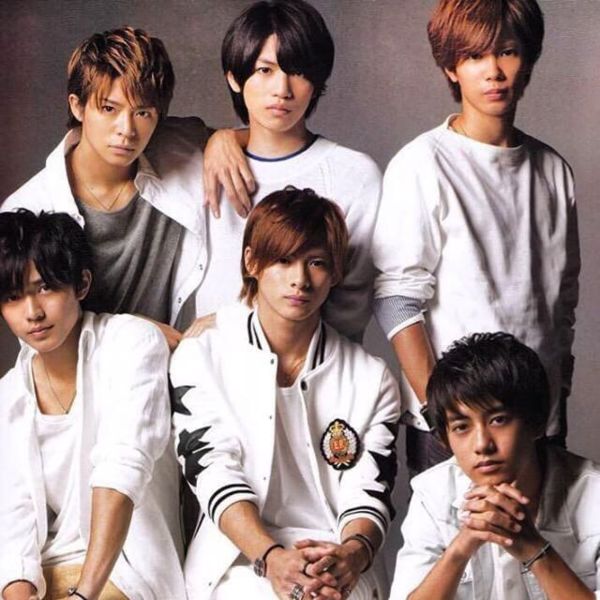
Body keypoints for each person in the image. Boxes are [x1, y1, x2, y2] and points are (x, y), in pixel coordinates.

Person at [372, 0, 580, 475]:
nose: (493, 72)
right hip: (456, 425)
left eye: (506, 51)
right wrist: (442, 416)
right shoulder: (423, 163)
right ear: (451, 67)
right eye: (474, 56)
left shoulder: (554, 170)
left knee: (545, 526)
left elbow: (562, 302)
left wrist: (557, 398)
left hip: (537, 422)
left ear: (527, 57)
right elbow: (397, 300)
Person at [171, 188, 401, 600]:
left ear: (335, 272)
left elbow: (369, 490)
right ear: (251, 262)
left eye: (316, 262)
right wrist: (272, 558)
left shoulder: (371, 377)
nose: (300, 280)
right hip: (240, 557)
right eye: (283, 260)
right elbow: (213, 470)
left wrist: (351, 556)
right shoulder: (202, 355)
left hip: (337, 557)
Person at [2, 26, 253, 350]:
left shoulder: (177, 146)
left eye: (142, 112)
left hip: (176, 363)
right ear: (78, 107)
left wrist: (226, 138)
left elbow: (272, 139)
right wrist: (131, 330)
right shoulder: (28, 210)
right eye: (109, 108)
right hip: (87, 372)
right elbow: (37, 328)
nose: (127, 130)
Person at [0, 210, 185, 600]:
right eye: (13, 297)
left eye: (45, 288)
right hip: (47, 567)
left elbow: (122, 469)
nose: (32, 312)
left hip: (125, 565)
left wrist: (84, 595)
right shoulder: (9, 394)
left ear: (81, 284)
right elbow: (13, 516)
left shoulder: (131, 343)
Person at [190, 0, 381, 341]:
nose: (282, 90)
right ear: (234, 78)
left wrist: (228, 322)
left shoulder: (354, 175)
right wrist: (220, 137)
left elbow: (347, 314)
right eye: (265, 71)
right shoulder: (205, 161)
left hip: (313, 366)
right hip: (206, 360)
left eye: (299, 71)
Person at [391, 332, 600, 599]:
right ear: (445, 439)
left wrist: (534, 549)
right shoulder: (432, 494)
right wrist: (461, 547)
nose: (482, 444)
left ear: (536, 422)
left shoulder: (594, 495)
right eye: (461, 427)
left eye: (498, 420)